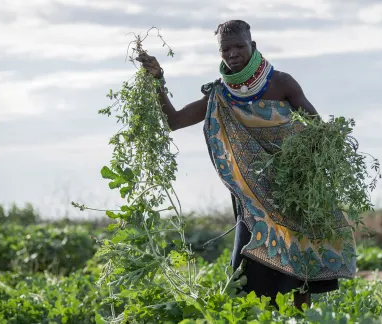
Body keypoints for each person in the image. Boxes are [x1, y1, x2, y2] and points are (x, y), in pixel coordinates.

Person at [136, 20, 356, 310]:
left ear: (252, 46)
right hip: (253, 194)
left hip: (294, 187)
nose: (233, 52)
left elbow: (316, 130)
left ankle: (303, 318)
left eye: (240, 45)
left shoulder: (282, 83)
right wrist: (156, 79)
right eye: (226, 48)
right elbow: (173, 121)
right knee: (254, 267)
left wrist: (308, 162)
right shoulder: (220, 95)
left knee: (302, 260)